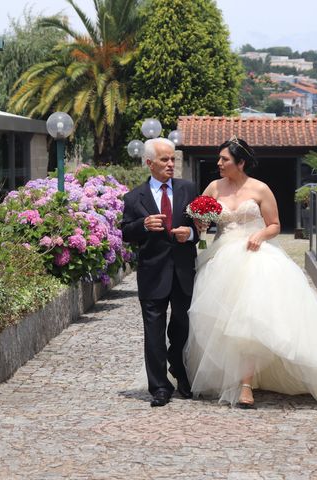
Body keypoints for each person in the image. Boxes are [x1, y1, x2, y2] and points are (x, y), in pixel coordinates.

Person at [185, 136, 317, 408]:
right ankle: (223, 375)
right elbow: (202, 220)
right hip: (221, 257)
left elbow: (274, 224)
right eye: (220, 159)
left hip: (254, 256)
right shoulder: (214, 187)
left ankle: (246, 385)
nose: (219, 163)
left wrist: (260, 235)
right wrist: (200, 223)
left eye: (225, 159)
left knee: (249, 319)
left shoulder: (260, 189)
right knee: (221, 320)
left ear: (241, 162)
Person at [121, 137, 199, 407]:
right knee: (153, 331)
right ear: (149, 163)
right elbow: (125, 232)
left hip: (183, 271)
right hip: (152, 273)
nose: (170, 164)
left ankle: (178, 368)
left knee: (183, 327)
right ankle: (159, 388)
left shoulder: (189, 189)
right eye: (164, 160)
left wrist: (189, 233)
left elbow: (201, 227)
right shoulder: (133, 197)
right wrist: (143, 224)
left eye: (173, 159)